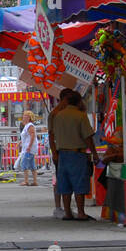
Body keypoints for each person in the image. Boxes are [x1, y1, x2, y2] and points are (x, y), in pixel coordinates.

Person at [50, 90, 100, 220]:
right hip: (77, 154)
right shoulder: (80, 116)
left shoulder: (57, 116)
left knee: (65, 184)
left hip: (62, 155)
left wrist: (55, 153)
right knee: (79, 184)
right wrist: (94, 153)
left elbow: (52, 135)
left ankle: (67, 212)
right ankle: (81, 212)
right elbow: (88, 137)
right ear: (78, 102)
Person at [46, 88, 73, 216]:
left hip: (67, 148)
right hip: (58, 149)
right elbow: (51, 136)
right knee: (59, 179)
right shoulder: (55, 114)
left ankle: (66, 206)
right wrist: (54, 153)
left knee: (68, 178)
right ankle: (58, 206)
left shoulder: (68, 113)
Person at [15, 110, 39, 186]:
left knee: (24, 163)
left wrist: (29, 146)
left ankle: (26, 181)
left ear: (29, 117)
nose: (23, 117)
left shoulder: (30, 125)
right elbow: (27, 137)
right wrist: (20, 142)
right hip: (28, 147)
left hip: (29, 148)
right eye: (24, 115)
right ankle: (35, 181)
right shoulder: (27, 125)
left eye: (25, 116)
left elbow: (32, 136)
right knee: (32, 164)